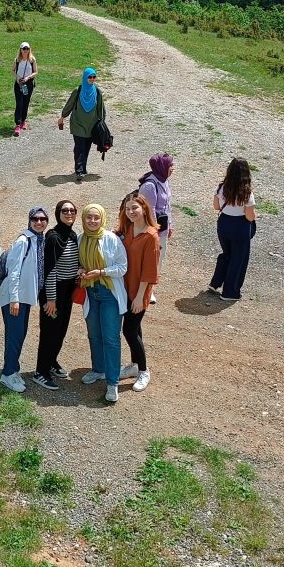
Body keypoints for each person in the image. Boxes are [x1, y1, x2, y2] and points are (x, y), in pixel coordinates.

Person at [77, 204, 128, 403]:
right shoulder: (81, 239)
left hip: (109, 294)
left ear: (102, 219)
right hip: (91, 292)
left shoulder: (111, 239)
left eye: (96, 217)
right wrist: (81, 270)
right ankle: (98, 369)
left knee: (111, 337)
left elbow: (122, 267)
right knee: (94, 334)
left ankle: (112, 382)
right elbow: (78, 263)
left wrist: (101, 272)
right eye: (89, 217)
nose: (92, 221)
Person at [0, 206, 48, 392]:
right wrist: (14, 299)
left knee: (19, 335)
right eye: (35, 219)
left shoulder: (38, 240)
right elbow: (13, 271)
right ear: (30, 221)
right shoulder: (23, 241)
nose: (39, 222)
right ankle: (8, 374)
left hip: (24, 297)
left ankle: (13, 369)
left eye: (43, 219)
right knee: (14, 336)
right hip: (14, 298)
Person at [33, 199, 79, 390]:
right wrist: (51, 299)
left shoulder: (72, 235)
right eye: (65, 211)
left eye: (72, 210)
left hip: (67, 291)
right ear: (58, 214)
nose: (69, 213)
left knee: (61, 330)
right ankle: (41, 372)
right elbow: (50, 270)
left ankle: (51, 362)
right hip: (53, 292)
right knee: (50, 332)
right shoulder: (53, 237)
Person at [116, 193, 159, 393]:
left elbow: (150, 271)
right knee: (135, 329)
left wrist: (140, 297)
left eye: (134, 208)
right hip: (124, 288)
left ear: (144, 208)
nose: (131, 212)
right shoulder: (128, 229)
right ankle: (134, 365)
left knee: (129, 330)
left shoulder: (150, 236)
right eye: (127, 209)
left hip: (138, 291)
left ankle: (143, 370)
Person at [209, 158, 256, 302]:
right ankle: (230, 291)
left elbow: (216, 207)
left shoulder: (221, 187)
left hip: (224, 224)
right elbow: (249, 216)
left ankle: (216, 282)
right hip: (240, 227)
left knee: (227, 254)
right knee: (238, 259)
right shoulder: (247, 192)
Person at [137, 152, 174, 304]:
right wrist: (154, 232)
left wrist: (170, 225)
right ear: (161, 166)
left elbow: (168, 206)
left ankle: (149, 288)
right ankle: (146, 291)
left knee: (159, 259)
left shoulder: (163, 180)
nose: (172, 168)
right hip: (153, 231)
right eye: (170, 165)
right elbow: (148, 210)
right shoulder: (150, 186)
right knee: (151, 261)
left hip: (162, 229)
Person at [58, 68, 106, 183]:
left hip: (91, 126)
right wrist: (62, 117)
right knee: (79, 147)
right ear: (85, 77)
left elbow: (101, 109)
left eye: (94, 77)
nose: (92, 79)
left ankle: (83, 168)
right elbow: (69, 105)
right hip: (78, 124)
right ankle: (79, 170)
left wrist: (102, 124)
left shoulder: (97, 92)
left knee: (87, 148)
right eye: (90, 77)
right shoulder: (78, 91)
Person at [12, 42, 38, 137]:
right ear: (21, 50)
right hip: (19, 83)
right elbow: (13, 70)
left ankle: (23, 121)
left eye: (27, 49)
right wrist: (18, 78)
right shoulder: (17, 60)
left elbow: (36, 72)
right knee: (19, 103)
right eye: (24, 49)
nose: (25, 51)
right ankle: (17, 124)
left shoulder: (32, 60)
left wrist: (28, 77)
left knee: (26, 103)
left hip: (28, 83)